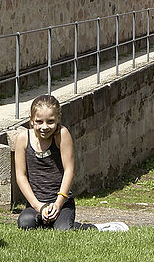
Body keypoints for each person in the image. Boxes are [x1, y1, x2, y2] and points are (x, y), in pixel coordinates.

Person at [14, 94, 100, 231]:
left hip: (62, 202)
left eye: (50, 121)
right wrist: (38, 206)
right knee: (25, 223)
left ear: (58, 118)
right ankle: (46, 220)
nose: (44, 127)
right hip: (36, 203)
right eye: (39, 121)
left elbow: (69, 170)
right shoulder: (23, 138)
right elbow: (21, 176)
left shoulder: (62, 135)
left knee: (63, 229)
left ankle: (89, 227)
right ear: (31, 120)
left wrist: (58, 203)